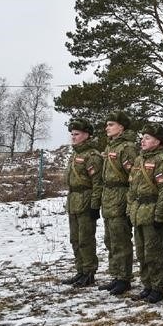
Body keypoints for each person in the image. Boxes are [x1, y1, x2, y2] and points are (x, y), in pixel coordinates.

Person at [126, 122, 163, 303]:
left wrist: (159, 215)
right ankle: (147, 285)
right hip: (138, 212)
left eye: (147, 138)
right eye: (142, 137)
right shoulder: (139, 160)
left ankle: (157, 287)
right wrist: (129, 211)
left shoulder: (161, 160)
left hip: (151, 212)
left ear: (158, 141)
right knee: (142, 252)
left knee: (153, 253)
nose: (142, 141)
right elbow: (132, 189)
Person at [98, 110, 138, 296]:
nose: (107, 127)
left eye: (111, 124)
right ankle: (116, 275)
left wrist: (129, 203)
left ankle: (124, 278)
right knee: (110, 239)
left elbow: (134, 177)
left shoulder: (127, 148)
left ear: (121, 127)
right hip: (109, 197)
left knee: (121, 239)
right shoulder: (110, 147)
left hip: (121, 196)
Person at [62, 118, 103, 288]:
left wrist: (95, 205)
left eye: (77, 134)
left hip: (86, 201)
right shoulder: (75, 154)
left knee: (86, 239)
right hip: (73, 201)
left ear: (87, 135)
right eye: (72, 134)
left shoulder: (92, 156)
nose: (73, 137)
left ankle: (89, 272)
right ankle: (80, 270)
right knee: (75, 239)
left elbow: (98, 183)